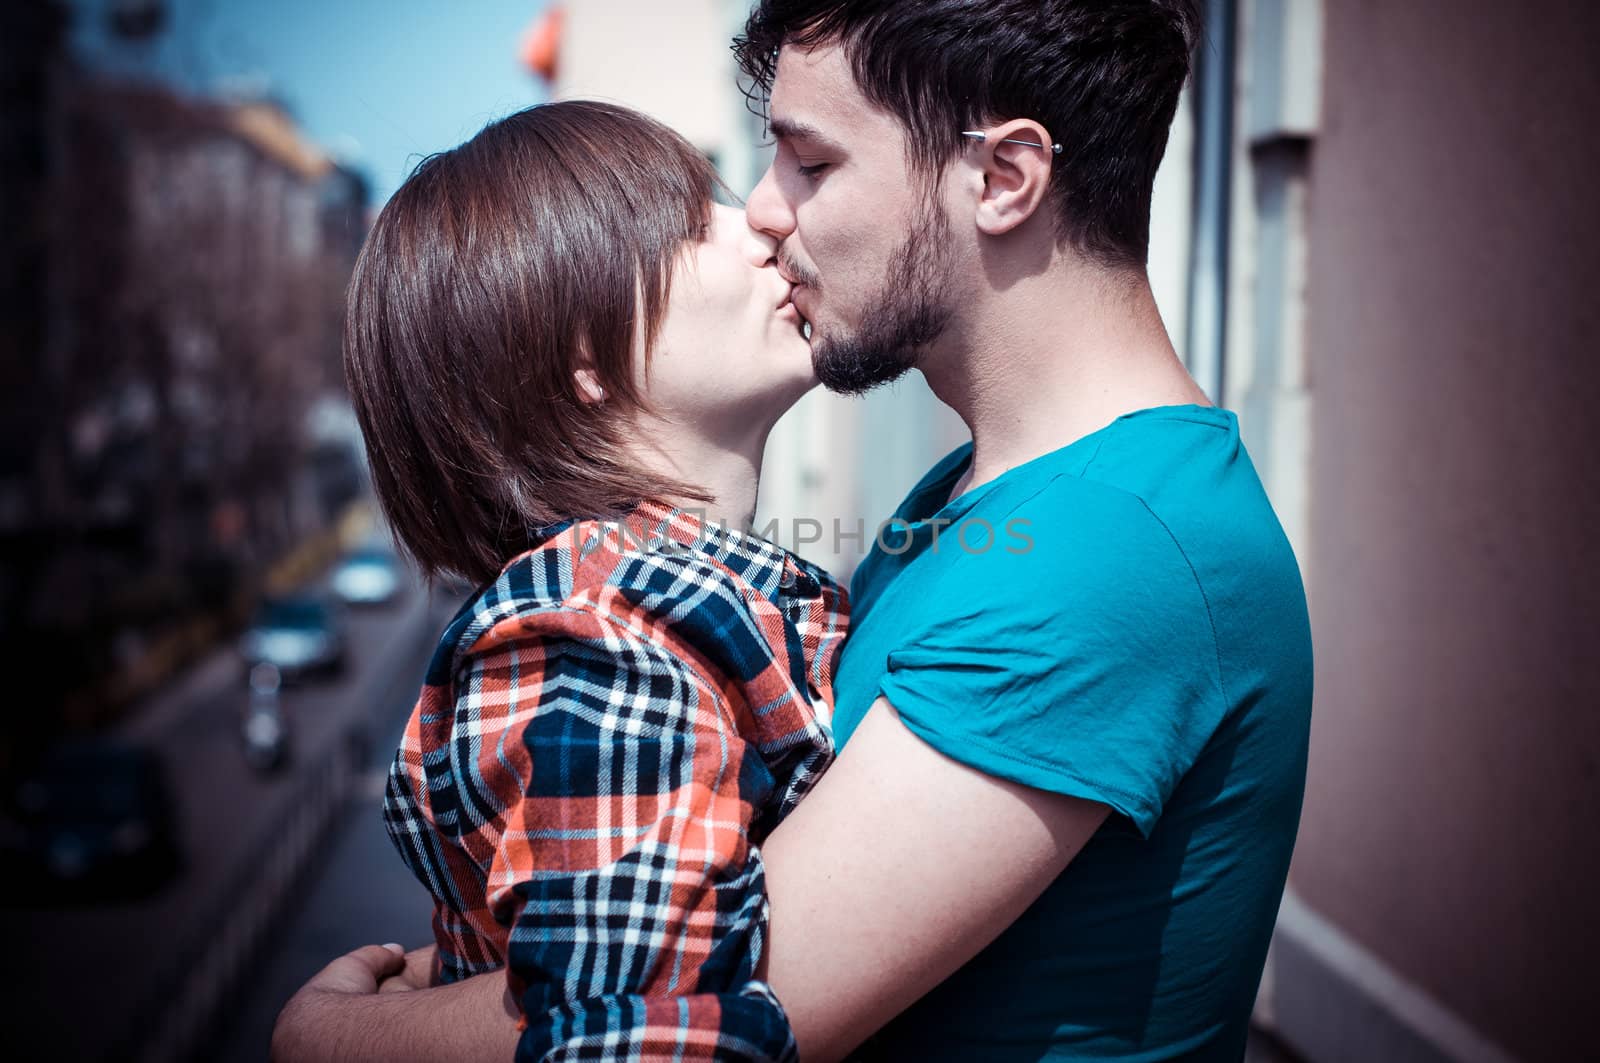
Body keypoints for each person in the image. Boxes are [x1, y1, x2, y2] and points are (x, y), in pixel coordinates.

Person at [277, 2, 1314, 1060]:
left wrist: (338, 1041)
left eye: (811, 164)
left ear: (1002, 180)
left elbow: (683, 1018)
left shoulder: (1107, 548)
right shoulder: (963, 501)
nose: (766, 214)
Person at [270, 99, 850, 1062]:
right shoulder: (600, 634)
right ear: (584, 355)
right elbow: (632, 1038)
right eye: (686, 222)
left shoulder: (659, 604)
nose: (754, 220)